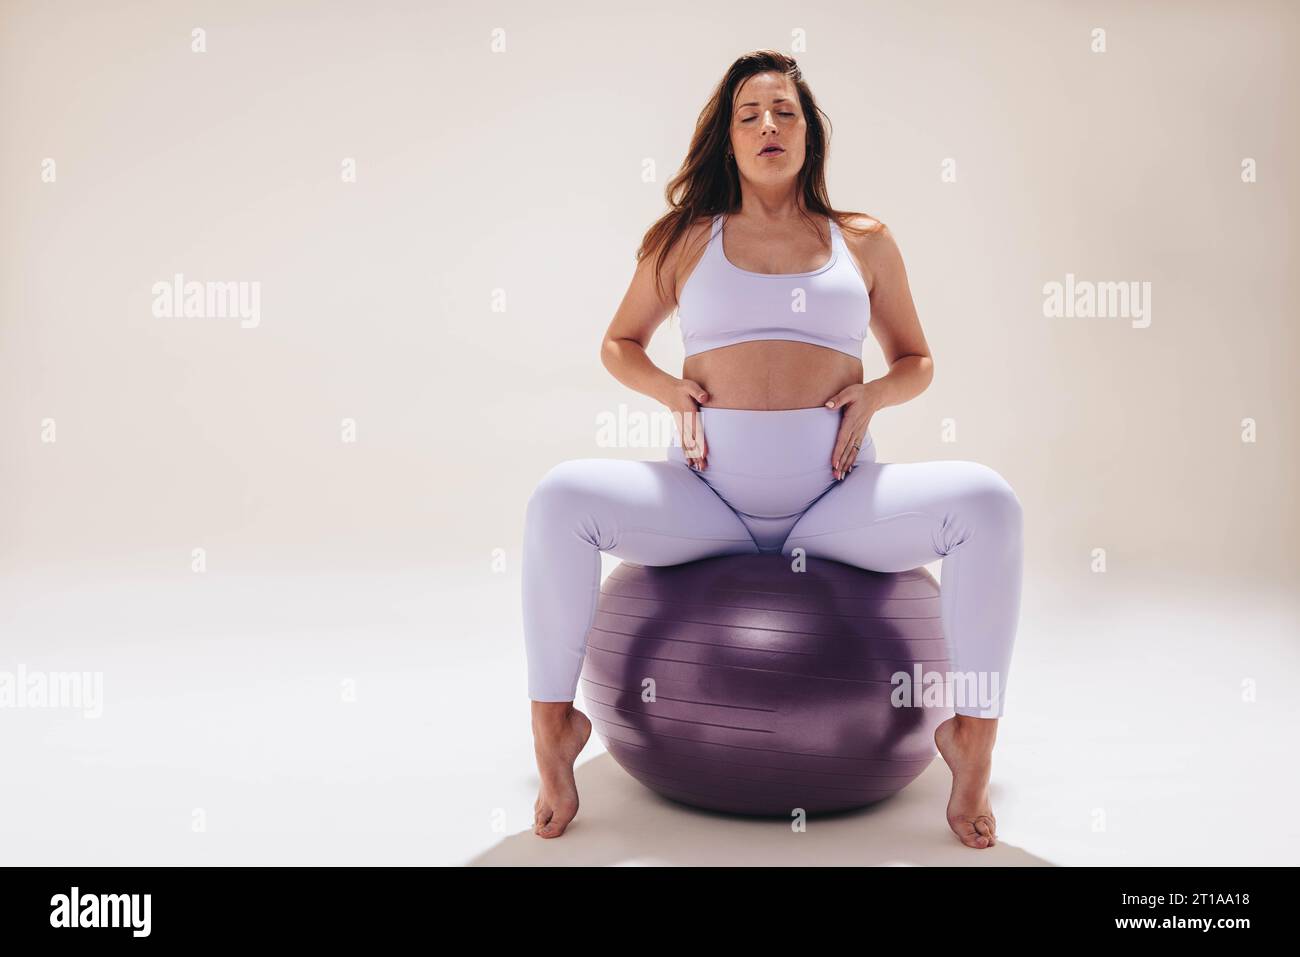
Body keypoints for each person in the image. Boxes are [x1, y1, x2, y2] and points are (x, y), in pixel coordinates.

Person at [522, 51, 1023, 848]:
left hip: (835, 501)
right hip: (707, 500)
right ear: (727, 138)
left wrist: (876, 394)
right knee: (559, 497)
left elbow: (915, 360)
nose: (768, 126)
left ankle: (972, 738)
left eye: (785, 112)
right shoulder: (686, 239)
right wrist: (666, 388)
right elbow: (619, 343)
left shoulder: (863, 240)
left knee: (989, 502)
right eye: (750, 113)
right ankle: (554, 727)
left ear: (809, 135)